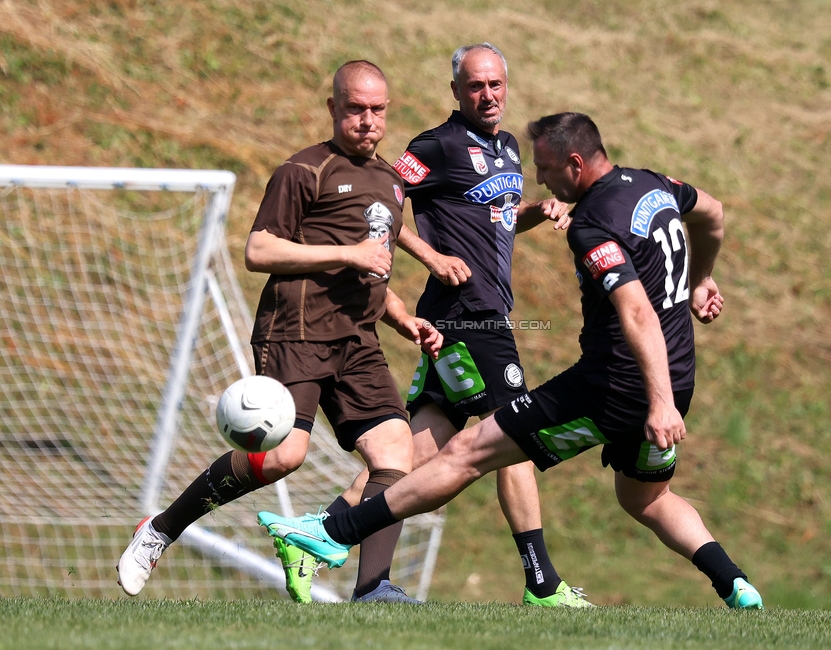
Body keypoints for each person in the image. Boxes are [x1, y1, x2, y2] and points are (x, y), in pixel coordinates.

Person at [257, 111, 764, 610]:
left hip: (618, 384)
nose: (538, 178)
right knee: (644, 499)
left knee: (470, 450)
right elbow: (713, 213)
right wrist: (699, 279)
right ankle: (735, 584)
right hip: (673, 377)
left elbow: (635, 312)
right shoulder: (655, 184)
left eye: (544, 168)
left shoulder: (590, 224)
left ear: (575, 162)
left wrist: (657, 403)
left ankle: (332, 533)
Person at [269, 42, 589, 607]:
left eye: (494, 84)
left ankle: (320, 537)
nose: (486, 94)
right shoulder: (434, 146)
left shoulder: (510, 148)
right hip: (465, 316)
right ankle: (542, 583)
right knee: (512, 432)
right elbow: (384, 197)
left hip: (488, 311)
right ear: (456, 92)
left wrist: (533, 213)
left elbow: (495, 219)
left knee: (412, 456)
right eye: (474, 86)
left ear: (506, 87)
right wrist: (430, 257)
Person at [117, 60, 443, 602]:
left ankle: (374, 590)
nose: (367, 120)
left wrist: (404, 317)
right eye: (356, 109)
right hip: (295, 333)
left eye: (377, 110)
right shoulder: (303, 170)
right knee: (284, 457)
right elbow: (258, 249)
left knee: (395, 455)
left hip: (358, 340)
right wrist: (346, 252)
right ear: (334, 109)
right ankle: (160, 530)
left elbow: (372, 269)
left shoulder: (390, 180)